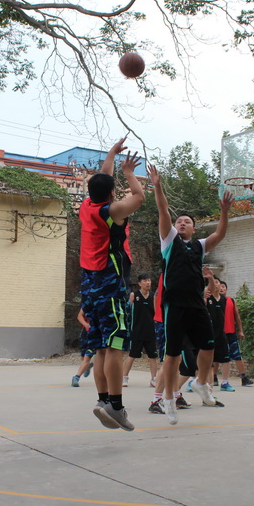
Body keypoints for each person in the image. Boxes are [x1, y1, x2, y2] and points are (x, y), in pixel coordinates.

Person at [147, 164, 234, 425]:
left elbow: (220, 234)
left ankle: (200, 383)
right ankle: (168, 400)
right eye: (179, 221)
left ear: (194, 229)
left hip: (196, 304)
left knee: (208, 347)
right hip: (174, 305)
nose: (182, 223)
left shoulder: (199, 246)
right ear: (174, 227)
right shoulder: (169, 241)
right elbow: (163, 210)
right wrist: (158, 186)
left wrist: (225, 212)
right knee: (172, 355)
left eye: (188, 222)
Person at [79, 138, 144, 431]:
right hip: (110, 283)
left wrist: (111, 155)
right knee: (115, 345)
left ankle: (103, 400)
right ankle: (116, 407)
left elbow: (103, 179)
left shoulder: (86, 206)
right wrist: (129, 172)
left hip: (90, 286)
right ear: (111, 194)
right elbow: (139, 197)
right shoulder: (111, 212)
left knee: (101, 348)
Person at [123, 273, 158, 387]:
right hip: (137, 331)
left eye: (149, 280)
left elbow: (156, 313)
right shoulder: (134, 295)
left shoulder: (153, 296)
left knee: (153, 357)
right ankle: (124, 377)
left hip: (150, 331)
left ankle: (153, 379)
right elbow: (127, 312)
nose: (148, 283)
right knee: (132, 355)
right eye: (145, 280)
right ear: (139, 283)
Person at [219, 279, 254, 388]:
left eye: (223, 287)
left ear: (226, 289)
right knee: (216, 357)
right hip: (219, 334)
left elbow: (237, 316)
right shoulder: (213, 301)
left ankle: (244, 377)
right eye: (220, 286)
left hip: (231, 333)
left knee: (237, 355)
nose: (221, 288)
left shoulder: (231, 301)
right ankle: (214, 377)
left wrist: (241, 330)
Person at [71, 307, 95, 387]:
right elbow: (79, 316)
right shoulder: (88, 303)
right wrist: (85, 324)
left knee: (87, 358)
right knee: (83, 356)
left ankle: (76, 377)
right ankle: (87, 367)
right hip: (86, 334)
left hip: (96, 336)